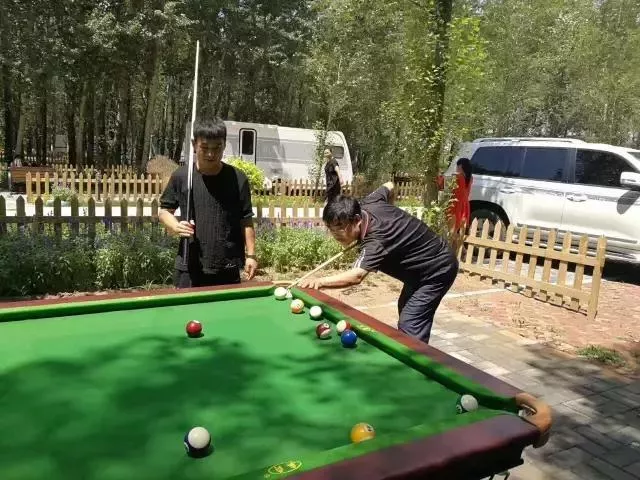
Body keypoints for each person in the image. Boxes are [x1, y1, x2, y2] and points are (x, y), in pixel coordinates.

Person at [299, 182, 458, 344]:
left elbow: (356, 276)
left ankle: (416, 356)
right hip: (420, 269)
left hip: (437, 270)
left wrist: (319, 282)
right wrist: (392, 209)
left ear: (357, 220)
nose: (335, 233)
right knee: (406, 309)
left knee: (410, 322)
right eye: (331, 227)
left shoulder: (376, 240)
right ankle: (416, 347)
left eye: (340, 227)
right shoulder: (369, 202)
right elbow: (389, 185)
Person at [159, 118, 258, 288]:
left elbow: (246, 220)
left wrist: (251, 255)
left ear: (224, 145)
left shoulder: (238, 178)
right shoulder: (182, 176)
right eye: (204, 148)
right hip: (189, 264)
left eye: (217, 148)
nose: (211, 154)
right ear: (194, 145)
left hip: (227, 266)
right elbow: (164, 211)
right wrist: (175, 226)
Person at [448, 157, 473, 233]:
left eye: (458, 166)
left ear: (461, 166)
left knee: (452, 224)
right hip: (465, 204)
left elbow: (448, 185)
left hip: (456, 203)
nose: (457, 168)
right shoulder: (470, 178)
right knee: (461, 225)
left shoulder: (458, 176)